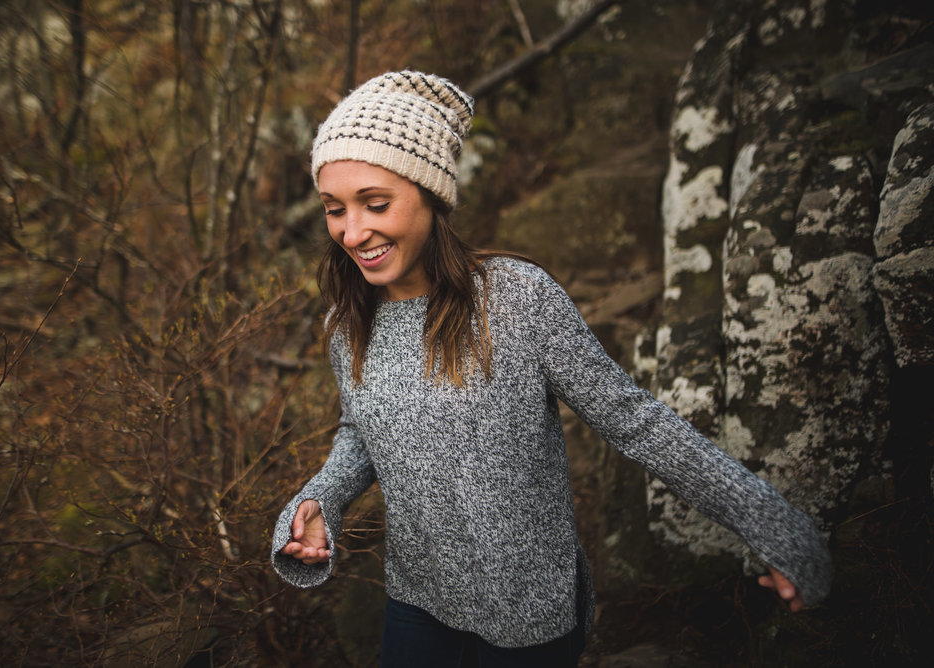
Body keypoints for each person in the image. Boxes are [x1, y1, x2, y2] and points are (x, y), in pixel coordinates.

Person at [271, 70, 832, 667]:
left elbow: (635, 422)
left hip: (527, 612)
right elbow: (362, 429)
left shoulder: (516, 301)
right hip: (417, 598)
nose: (353, 232)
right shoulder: (348, 319)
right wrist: (321, 499)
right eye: (335, 210)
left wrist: (768, 521)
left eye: (376, 204)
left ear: (431, 194)